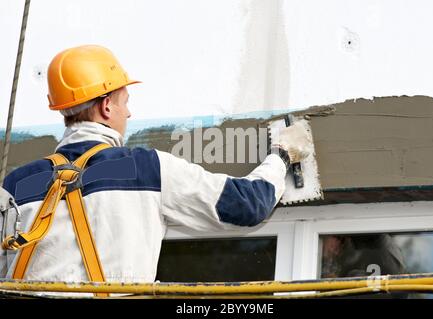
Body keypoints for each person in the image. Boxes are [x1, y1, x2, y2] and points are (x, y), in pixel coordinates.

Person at [0, 45, 310, 293]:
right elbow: (247, 204)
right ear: (106, 107)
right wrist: (281, 156)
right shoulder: (145, 169)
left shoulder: (14, 186)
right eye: (124, 101)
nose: (129, 112)